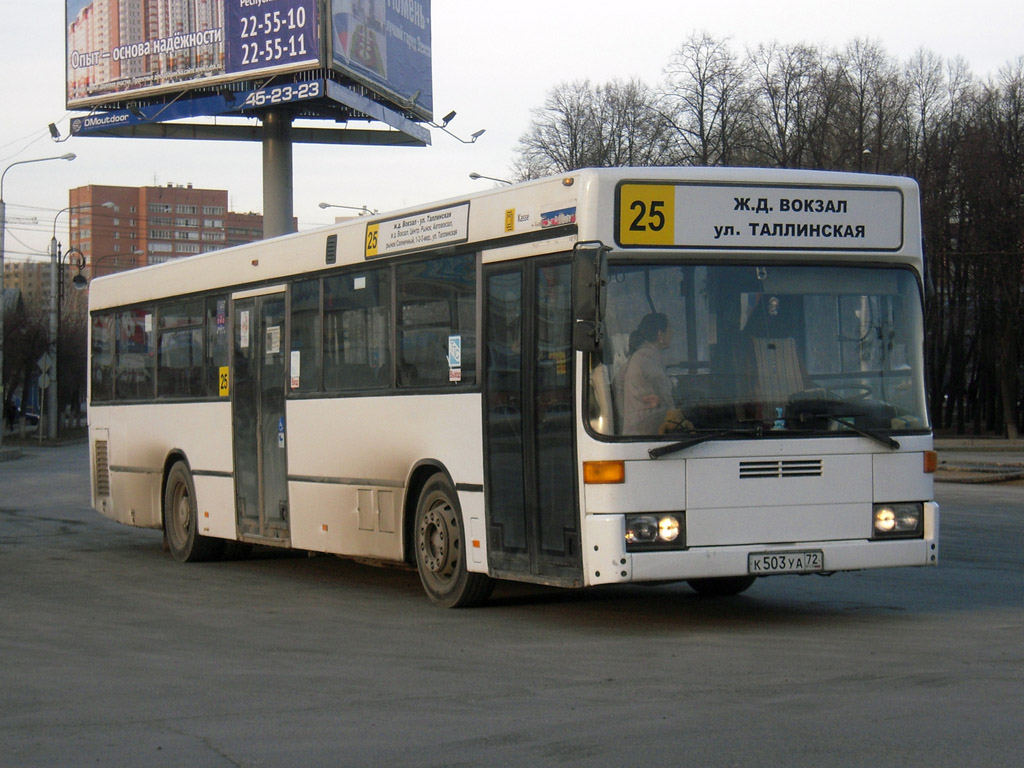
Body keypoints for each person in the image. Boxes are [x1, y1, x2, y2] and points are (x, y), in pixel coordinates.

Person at [621, 313, 687, 435]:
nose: (672, 334)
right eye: (670, 330)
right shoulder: (648, 357)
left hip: (639, 429)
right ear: (660, 335)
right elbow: (665, 395)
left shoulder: (640, 355)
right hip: (645, 434)